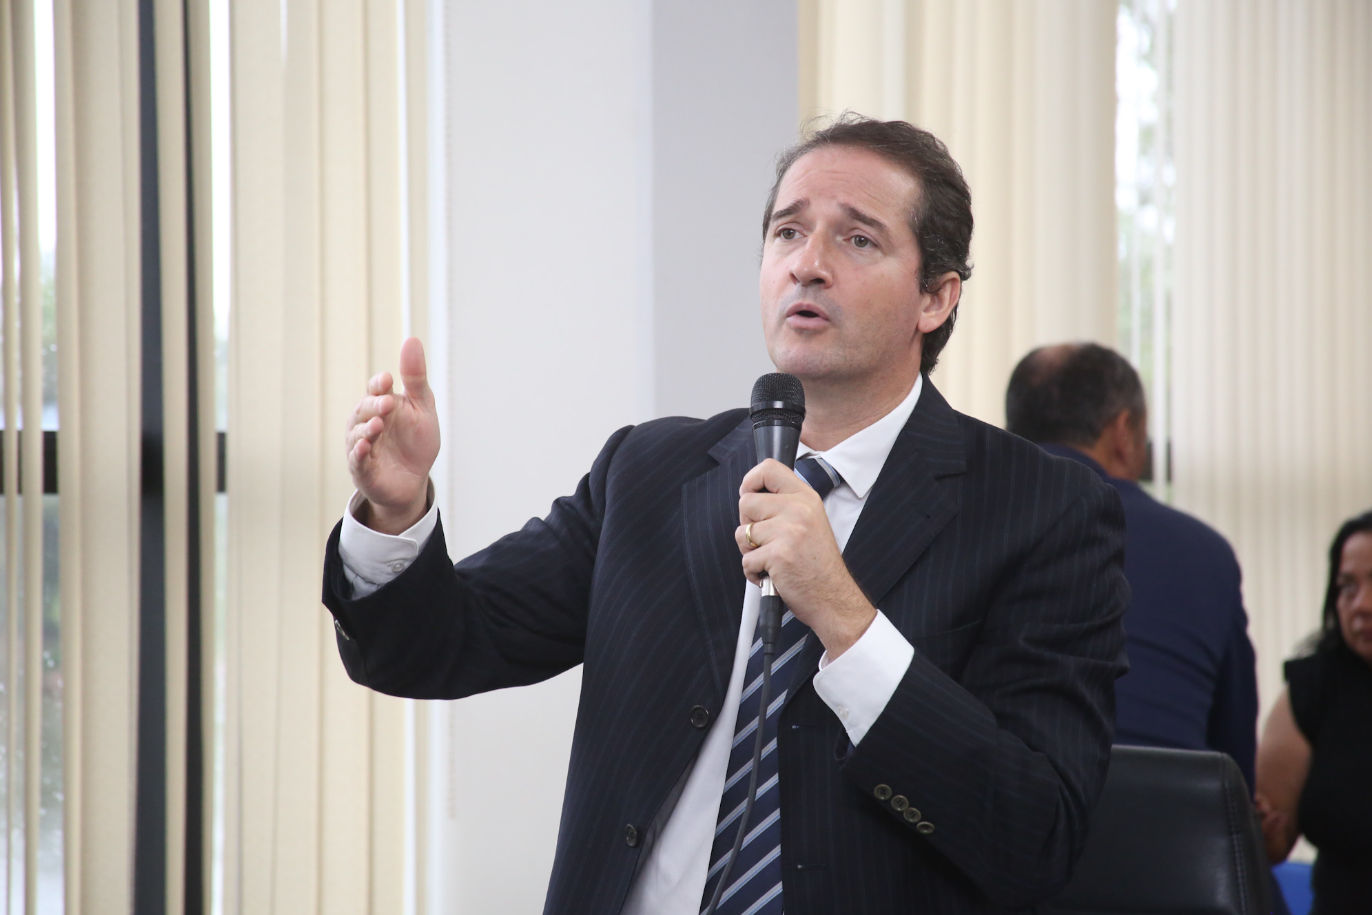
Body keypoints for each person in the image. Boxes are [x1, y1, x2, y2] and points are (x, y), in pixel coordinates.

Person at [324, 116, 1129, 915]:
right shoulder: (650, 472)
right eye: (788, 232)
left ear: (935, 297)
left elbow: (1036, 835)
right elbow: (434, 645)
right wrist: (396, 511)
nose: (807, 264)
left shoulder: (1043, 509)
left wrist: (845, 617)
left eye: (857, 240)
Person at [1005, 343, 1260, 788]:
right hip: (1167, 817)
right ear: (1124, 431)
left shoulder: (956, 521)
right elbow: (1234, 762)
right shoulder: (1205, 553)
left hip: (997, 809)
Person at [1256, 510, 1372, 914]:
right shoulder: (1311, 689)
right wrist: (1264, 830)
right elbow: (1272, 844)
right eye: (1347, 587)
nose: (1362, 605)